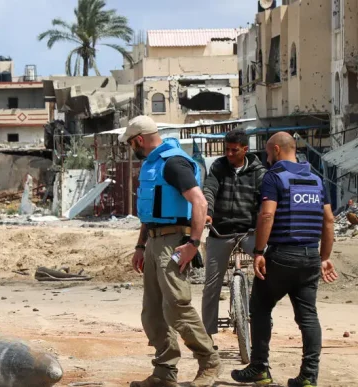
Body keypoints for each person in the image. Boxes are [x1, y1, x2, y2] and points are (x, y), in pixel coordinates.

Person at [231, 132, 338, 387]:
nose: (267, 158)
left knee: (259, 307)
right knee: (308, 316)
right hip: (311, 256)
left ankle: (259, 368)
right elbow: (329, 220)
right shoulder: (315, 179)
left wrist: (258, 252)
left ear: (277, 150)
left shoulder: (275, 177)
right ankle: (309, 376)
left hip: (282, 255)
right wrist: (323, 257)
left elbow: (267, 216)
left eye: (267, 153)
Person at [120, 115, 221, 387]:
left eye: (131, 144)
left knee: (177, 306)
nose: (132, 149)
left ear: (139, 140)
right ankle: (164, 373)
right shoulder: (153, 165)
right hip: (153, 241)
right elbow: (150, 212)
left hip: (174, 243)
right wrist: (141, 246)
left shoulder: (174, 163)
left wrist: (192, 244)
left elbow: (199, 202)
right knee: (152, 312)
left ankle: (209, 362)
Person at [201, 129, 267, 349]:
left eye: (234, 150)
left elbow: (263, 202)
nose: (229, 153)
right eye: (227, 149)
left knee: (268, 271)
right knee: (211, 284)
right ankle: (207, 337)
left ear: (245, 149)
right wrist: (207, 211)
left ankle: (262, 322)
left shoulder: (259, 172)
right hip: (220, 231)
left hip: (249, 232)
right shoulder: (218, 167)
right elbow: (209, 190)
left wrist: (263, 226)